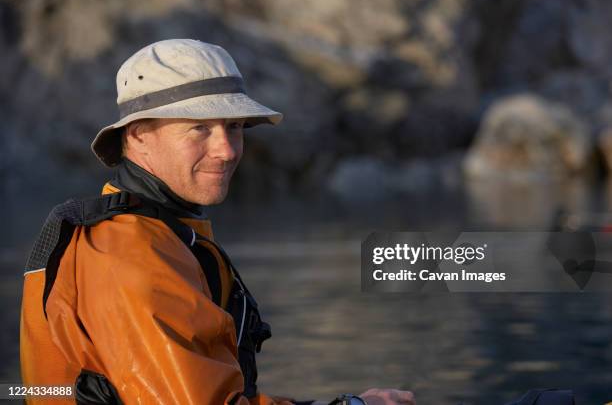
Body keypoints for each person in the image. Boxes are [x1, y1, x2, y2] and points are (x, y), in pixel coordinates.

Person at [20, 39, 416, 405]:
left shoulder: (159, 234)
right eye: (200, 128)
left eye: (235, 127)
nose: (226, 150)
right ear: (139, 135)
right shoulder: (127, 252)